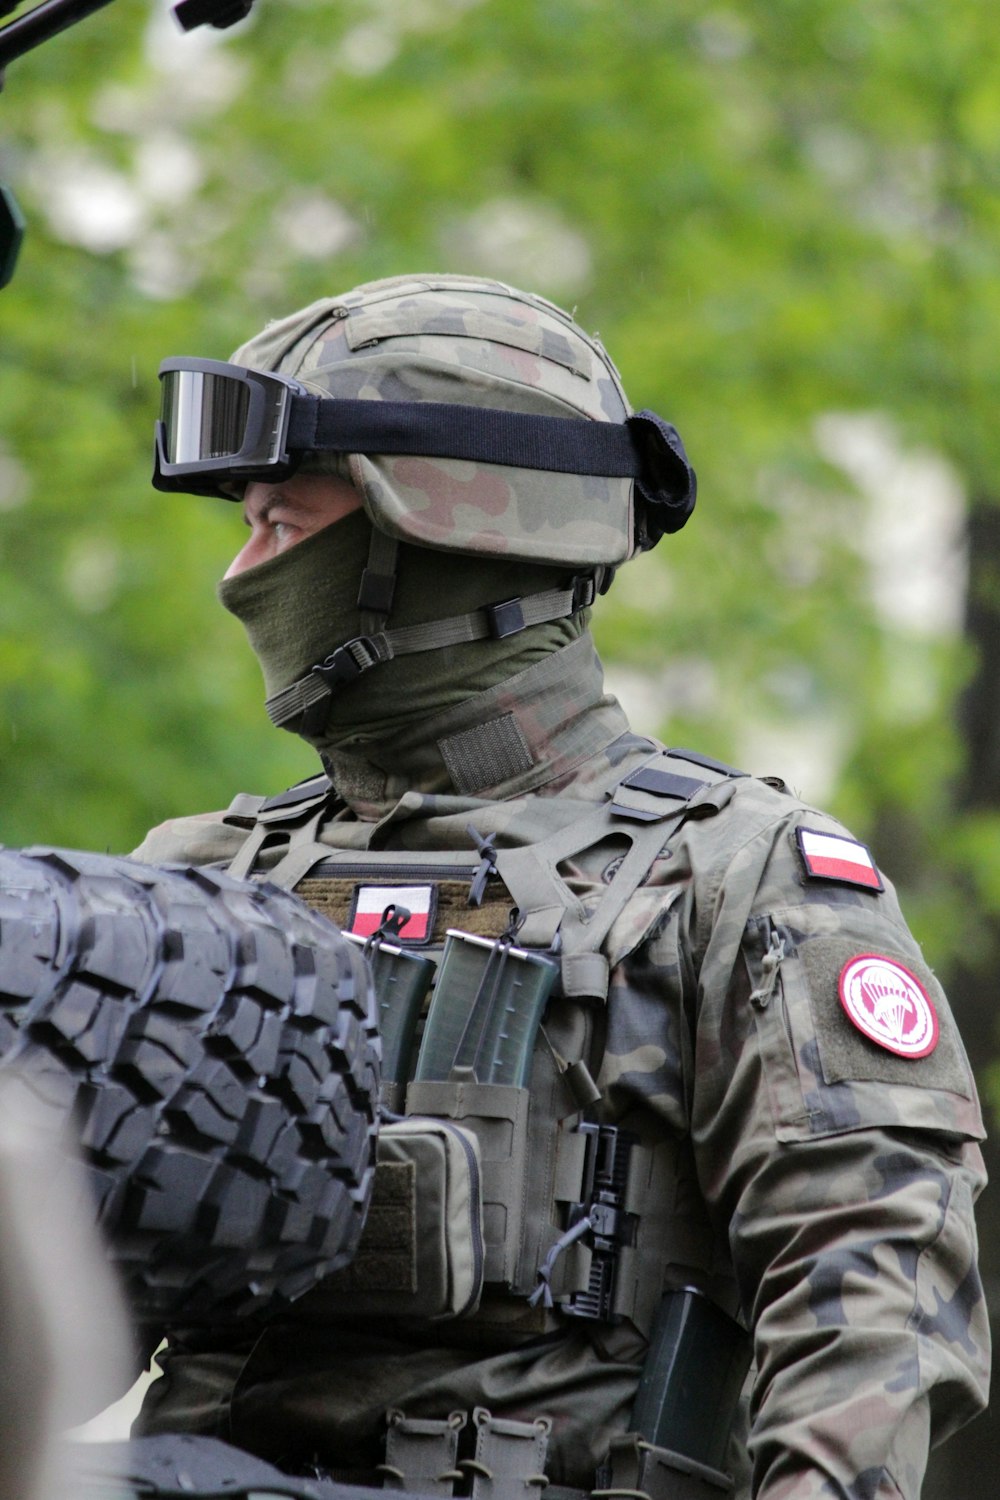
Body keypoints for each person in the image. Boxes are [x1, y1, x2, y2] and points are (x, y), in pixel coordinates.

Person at [131, 273, 989, 1500]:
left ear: (440, 533)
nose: (239, 573)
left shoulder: (738, 877)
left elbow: (874, 1289)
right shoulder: (196, 884)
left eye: (282, 522)